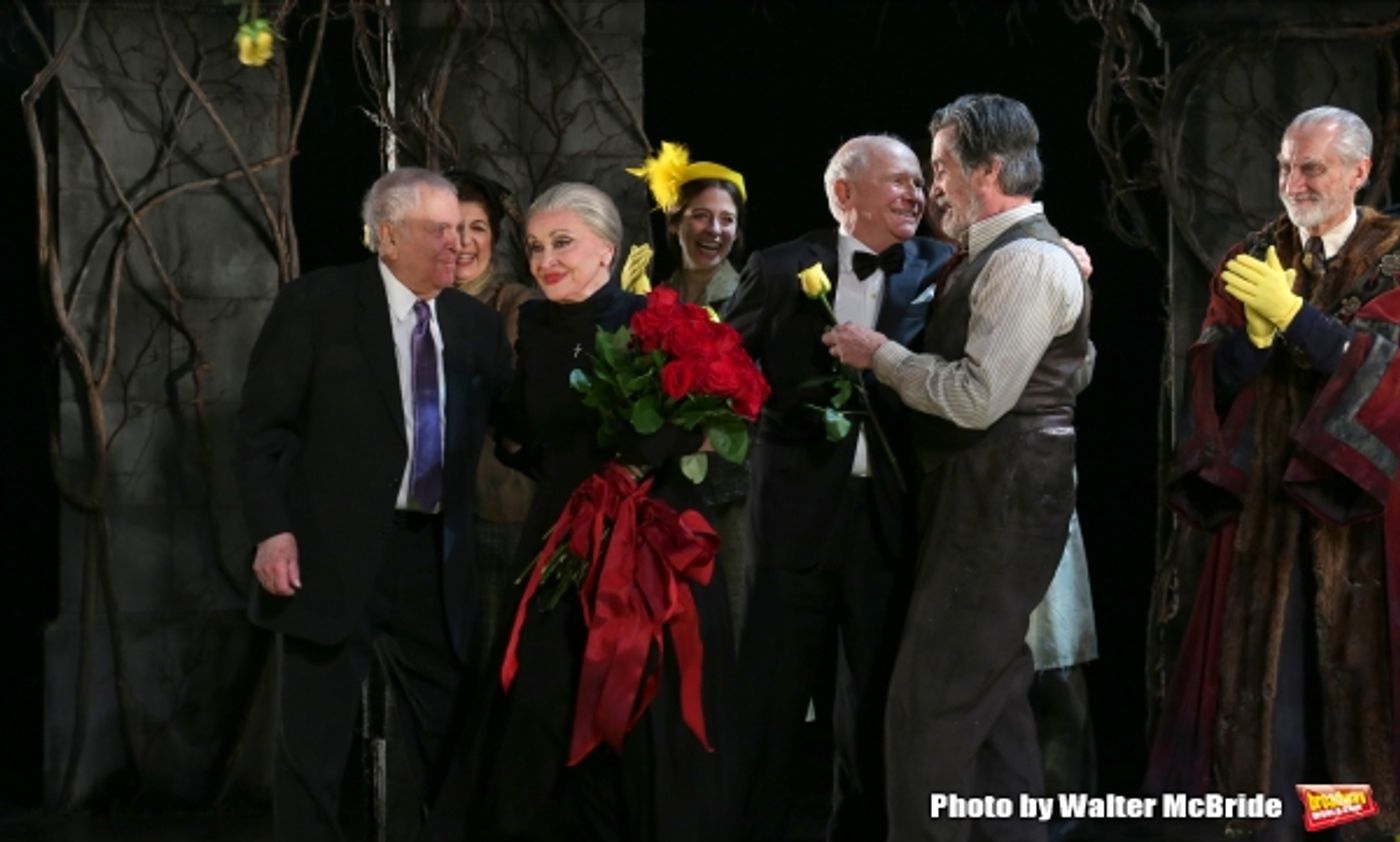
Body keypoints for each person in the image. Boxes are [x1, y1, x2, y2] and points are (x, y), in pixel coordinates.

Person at [824, 94, 1089, 842]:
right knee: (992, 711)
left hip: (999, 505)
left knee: (927, 714)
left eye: (940, 167)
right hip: (980, 498)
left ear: (989, 170)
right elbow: (1072, 369)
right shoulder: (1003, 256)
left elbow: (977, 398)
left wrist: (882, 356)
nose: (932, 185)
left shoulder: (1029, 261)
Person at [235, 166, 512, 840]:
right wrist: (273, 531)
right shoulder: (317, 304)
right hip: (326, 557)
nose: (458, 244)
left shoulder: (474, 325)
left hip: (435, 562)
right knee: (314, 753)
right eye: (438, 230)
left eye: (463, 229)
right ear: (387, 236)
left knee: (451, 745)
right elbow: (262, 432)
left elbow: (521, 429)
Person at [1146, 105, 1400, 839]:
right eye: (1285, 166)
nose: (1292, 182)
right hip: (1266, 513)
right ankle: (1278, 827)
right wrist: (1250, 344)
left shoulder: (1394, 256)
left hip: (1361, 513)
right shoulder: (1255, 253)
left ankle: (1350, 826)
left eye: (1310, 167)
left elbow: (1387, 378)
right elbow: (1210, 384)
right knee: (1274, 691)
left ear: (1358, 172)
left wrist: (1298, 320)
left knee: (1351, 695)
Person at [480, 182, 736, 841]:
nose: (545, 260)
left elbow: (697, 424)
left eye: (562, 243)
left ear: (607, 249)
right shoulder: (534, 326)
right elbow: (535, 433)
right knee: (542, 696)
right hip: (559, 533)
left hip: (647, 543)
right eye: (536, 247)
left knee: (642, 703)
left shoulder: (651, 318)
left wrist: (634, 467)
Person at [726, 134, 954, 842]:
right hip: (793, 515)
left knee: (877, 700)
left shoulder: (946, 268)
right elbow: (724, 370)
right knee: (770, 696)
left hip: (888, 519)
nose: (916, 194)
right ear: (844, 194)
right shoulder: (779, 266)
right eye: (897, 181)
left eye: (920, 181)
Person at [629, 141, 752, 641]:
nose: (715, 230)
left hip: (729, 493)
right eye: (701, 216)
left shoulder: (750, 296)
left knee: (731, 620)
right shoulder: (650, 296)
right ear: (675, 223)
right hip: (661, 487)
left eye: (726, 219)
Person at [442, 168, 539, 668]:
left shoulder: (516, 304)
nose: (463, 241)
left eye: (477, 228)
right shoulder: (412, 306)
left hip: (494, 510)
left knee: (490, 661)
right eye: (452, 227)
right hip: (423, 517)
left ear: (495, 239)